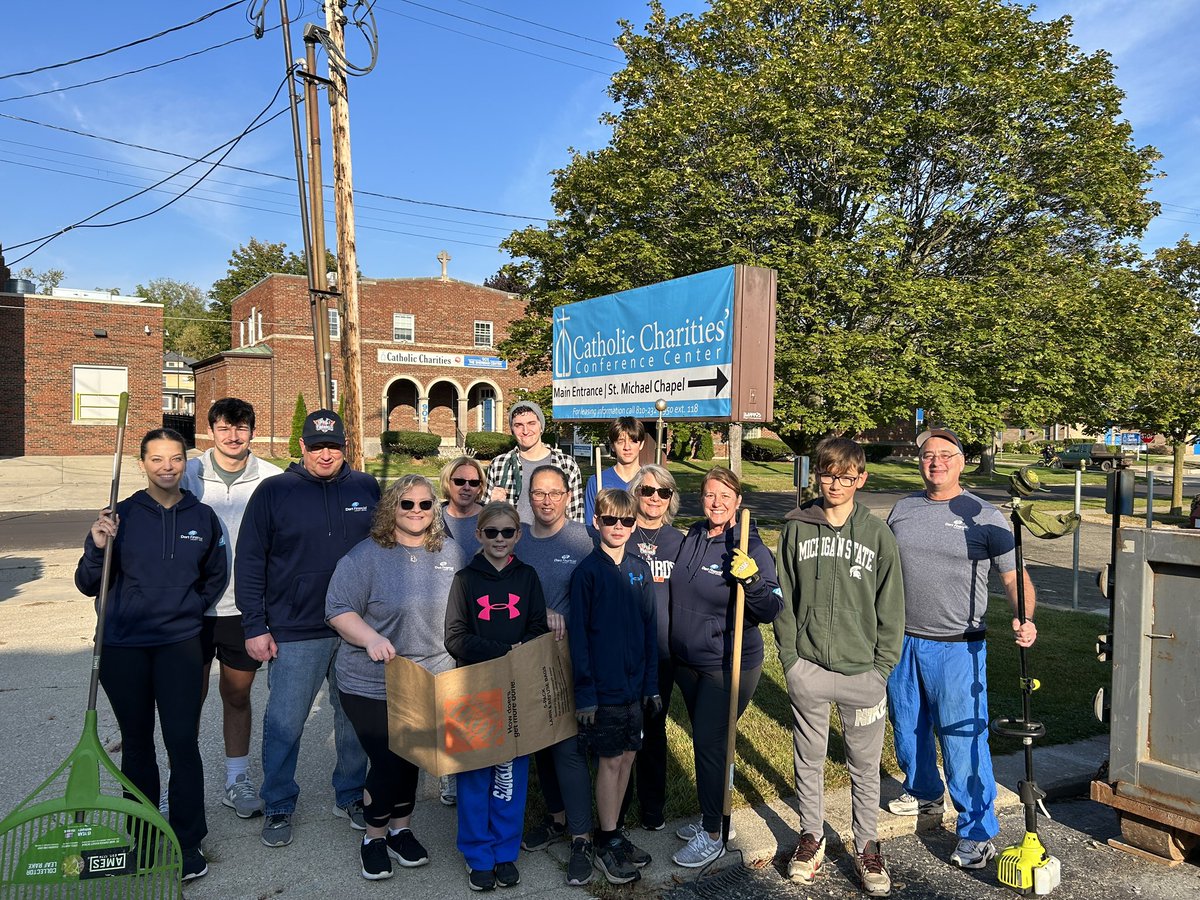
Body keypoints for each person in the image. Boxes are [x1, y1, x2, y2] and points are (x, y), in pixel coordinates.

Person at [75, 428, 229, 882]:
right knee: (138, 744)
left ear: (186, 462)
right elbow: (88, 584)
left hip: (180, 645)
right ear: (142, 463)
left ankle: (187, 840)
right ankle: (142, 837)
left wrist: (185, 610)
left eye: (176, 459)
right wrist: (99, 546)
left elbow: (214, 577)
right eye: (157, 459)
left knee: (183, 742)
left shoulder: (202, 516)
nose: (167, 467)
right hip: (124, 646)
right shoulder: (118, 517)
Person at [886, 428, 1037, 870]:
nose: (936, 462)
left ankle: (977, 831)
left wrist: (1025, 617)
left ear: (962, 460)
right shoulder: (903, 509)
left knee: (962, 738)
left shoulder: (984, 515)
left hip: (958, 646)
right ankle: (924, 793)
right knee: (908, 727)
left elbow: (1013, 577)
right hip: (902, 640)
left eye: (945, 455)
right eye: (928, 455)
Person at [236, 409, 379, 849]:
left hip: (356, 627)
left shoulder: (365, 487)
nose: (325, 454)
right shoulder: (273, 492)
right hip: (297, 628)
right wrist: (254, 625)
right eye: (317, 447)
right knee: (285, 721)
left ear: (345, 446)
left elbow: (386, 548)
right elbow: (250, 561)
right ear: (302, 447)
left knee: (353, 719)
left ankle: (351, 793)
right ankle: (279, 801)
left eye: (333, 445)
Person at [773, 437, 905, 895]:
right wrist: (790, 659)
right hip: (808, 666)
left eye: (846, 477)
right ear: (818, 476)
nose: (836, 483)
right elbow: (784, 597)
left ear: (861, 479)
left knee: (864, 766)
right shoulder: (796, 528)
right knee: (807, 760)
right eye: (828, 474)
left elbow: (892, 608)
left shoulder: (877, 534)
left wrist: (882, 669)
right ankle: (812, 836)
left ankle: (867, 844)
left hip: (863, 674)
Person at [325, 475, 465, 881]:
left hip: (429, 676)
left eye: (425, 505)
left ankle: (401, 831)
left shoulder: (450, 554)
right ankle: (373, 836)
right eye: (407, 505)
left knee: (412, 756)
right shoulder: (364, 557)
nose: (417, 512)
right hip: (371, 679)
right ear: (392, 508)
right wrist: (369, 638)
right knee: (389, 756)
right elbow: (337, 609)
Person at [669, 466, 783, 868]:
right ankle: (712, 814)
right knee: (709, 742)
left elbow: (771, 607)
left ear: (738, 501)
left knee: (710, 743)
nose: (715, 503)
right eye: (709, 495)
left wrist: (752, 581)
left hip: (727, 663)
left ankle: (714, 833)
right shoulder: (696, 534)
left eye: (724, 496)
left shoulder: (750, 547)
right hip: (688, 662)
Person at [182, 397, 283, 819]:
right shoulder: (187, 473)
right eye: (224, 427)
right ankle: (179, 783)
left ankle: (236, 780)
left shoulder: (272, 480)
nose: (233, 435)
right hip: (191, 610)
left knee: (237, 695)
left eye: (241, 428)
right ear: (210, 430)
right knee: (186, 700)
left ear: (252, 432)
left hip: (245, 610)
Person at [445, 501, 549, 891]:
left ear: (518, 535)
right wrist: (501, 652)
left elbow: (538, 626)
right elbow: (454, 637)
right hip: (474, 688)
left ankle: (505, 851)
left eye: (508, 532)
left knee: (509, 772)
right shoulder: (465, 579)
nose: (500, 539)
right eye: (492, 533)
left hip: (516, 688)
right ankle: (477, 854)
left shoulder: (528, 577)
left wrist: (524, 649)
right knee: (474, 772)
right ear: (479, 535)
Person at [512, 464, 597, 887]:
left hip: (568, 659)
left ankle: (582, 837)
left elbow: (602, 590)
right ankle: (557, 818)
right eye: (539, 493)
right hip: (526, 658)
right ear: (529, 497)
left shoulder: (584, 538)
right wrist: (536, 612)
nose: (546, 500)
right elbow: (498, 588)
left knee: (566, 747)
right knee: (540, 745)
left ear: (568, 496)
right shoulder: (517, 539)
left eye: (555, 493)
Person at [569, 489, 658, 885]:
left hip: (635, 688)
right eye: (610, 521)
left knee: (627, 759)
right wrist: (585, 692)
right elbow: (579, 640)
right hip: (602, 690)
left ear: (634, 525)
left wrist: (651, 685)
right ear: (597, 523)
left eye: (625, 521)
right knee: (609, 761)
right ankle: (605, 840)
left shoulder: (640, 569)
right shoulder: (586, 573)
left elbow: (650, 629)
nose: (618, 527)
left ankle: (616, 833)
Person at [618, 464, 684, 832]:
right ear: (635, 494)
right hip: (625, 651)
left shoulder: (679, 541)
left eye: (662, 492)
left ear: (670, 498)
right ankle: (618, 809)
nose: (654, 498)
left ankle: (652, 808)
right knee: (626, 730)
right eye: (647, 491)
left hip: (662, 652)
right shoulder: (619, 533)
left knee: (654, 729)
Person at [486, 400, 583, 524]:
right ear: (511, 429)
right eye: (518, 425)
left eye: (531, 423)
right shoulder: (499, 464)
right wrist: (492, 504)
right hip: (511, 540)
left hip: (555, 540)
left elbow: (576, 515)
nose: (525, 431)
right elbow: (485, 518)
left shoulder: (566, 465)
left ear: (541, 426)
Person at [583, 417, 645, 525]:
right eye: (621, 441)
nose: (627, 447)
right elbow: (590, 526)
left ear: (641, 444)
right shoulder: (597, 481)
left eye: (633, 441)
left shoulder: (649, 482)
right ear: (612, 446)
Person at [440, 455, 486, 561]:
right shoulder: (431, 519)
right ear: (447, 483)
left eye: (473, 483)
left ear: (480, 488)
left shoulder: (494, 519)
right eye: (459, 481)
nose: (466, 487)